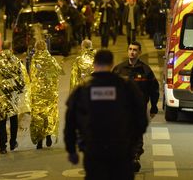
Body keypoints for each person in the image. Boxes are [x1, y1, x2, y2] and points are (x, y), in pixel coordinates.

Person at [64, 49, 148, 180]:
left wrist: (71, 150)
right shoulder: (126, 87)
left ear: (94, 64)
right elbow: (141, 118)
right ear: (111, 64)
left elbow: (70, 122)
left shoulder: (83, 89)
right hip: (121, 151)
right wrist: (132, 145)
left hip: (93, 151)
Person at [112, 41, 159, 172]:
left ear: (139, 53)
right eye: (130, 49)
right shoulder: (119, 69)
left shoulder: (145, 70)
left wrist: (154, 106)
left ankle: (135, 156)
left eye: (135, 50)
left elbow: (154, 89)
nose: (132, 52)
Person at [29, 40, 64, 149]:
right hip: (49, 92)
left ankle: (39, 140)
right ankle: (48, 135)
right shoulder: (51, 59)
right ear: (45, 47)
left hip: (38, 92)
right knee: (49, 113)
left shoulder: (34, 60)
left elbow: (32, 75)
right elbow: (59, 71)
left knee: (38, 115)